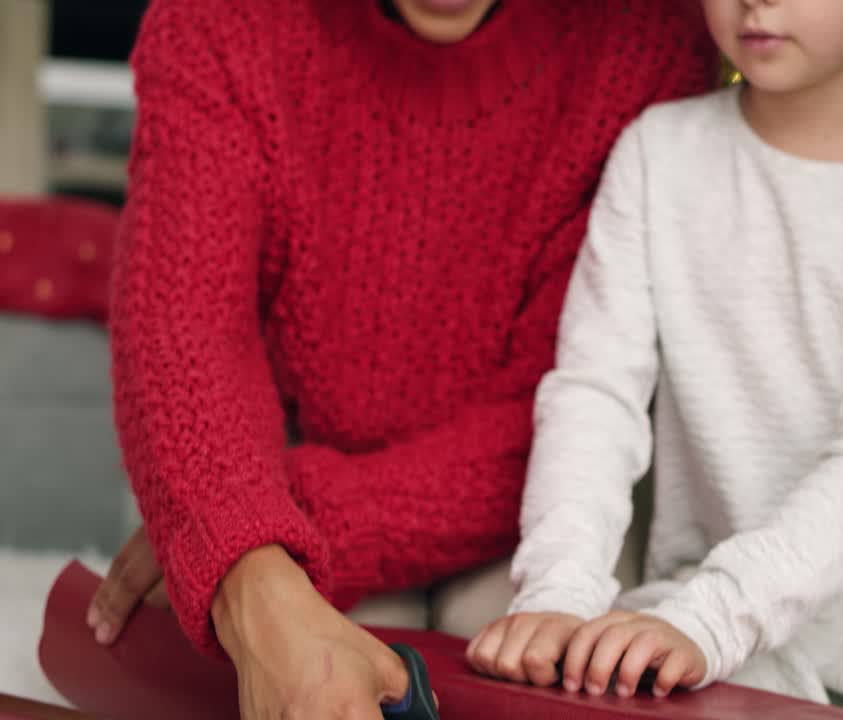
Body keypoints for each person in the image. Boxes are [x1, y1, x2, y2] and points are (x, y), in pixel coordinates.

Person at [84, 0, 717, 718]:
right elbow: (188, 323)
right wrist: (241, 563)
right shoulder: (221, 18)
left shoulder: (649, 33)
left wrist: (260, 520)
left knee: (551, 670)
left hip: (544, 502)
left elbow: (577, 402)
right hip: (282, 462)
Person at [466, 0, 843, 717]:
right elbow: (594, 393)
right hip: (710, 587)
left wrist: (712, 618)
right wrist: (559, 594)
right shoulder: (656, 154)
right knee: (618, 684)